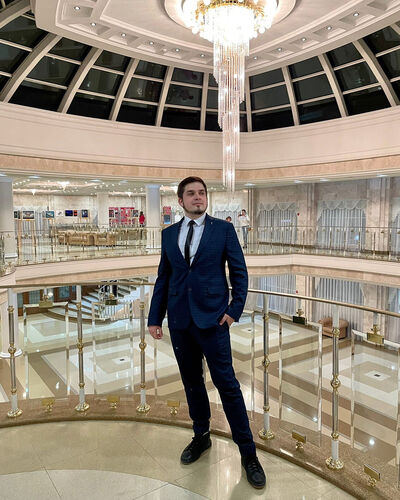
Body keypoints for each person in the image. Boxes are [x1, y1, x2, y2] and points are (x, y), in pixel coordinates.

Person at [148, 176, 266, 489]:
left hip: (213, 322)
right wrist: (155, 317)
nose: (198, 197)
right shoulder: (169, 234)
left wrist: (233, 311)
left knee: (227, 385)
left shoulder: (223, 230)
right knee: (192, 382)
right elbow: (164, 278)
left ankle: (248, 454)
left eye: (201, 193)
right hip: (180, 322)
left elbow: (239, 273)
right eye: (191, 193)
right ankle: (201, 435)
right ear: (181, 200)